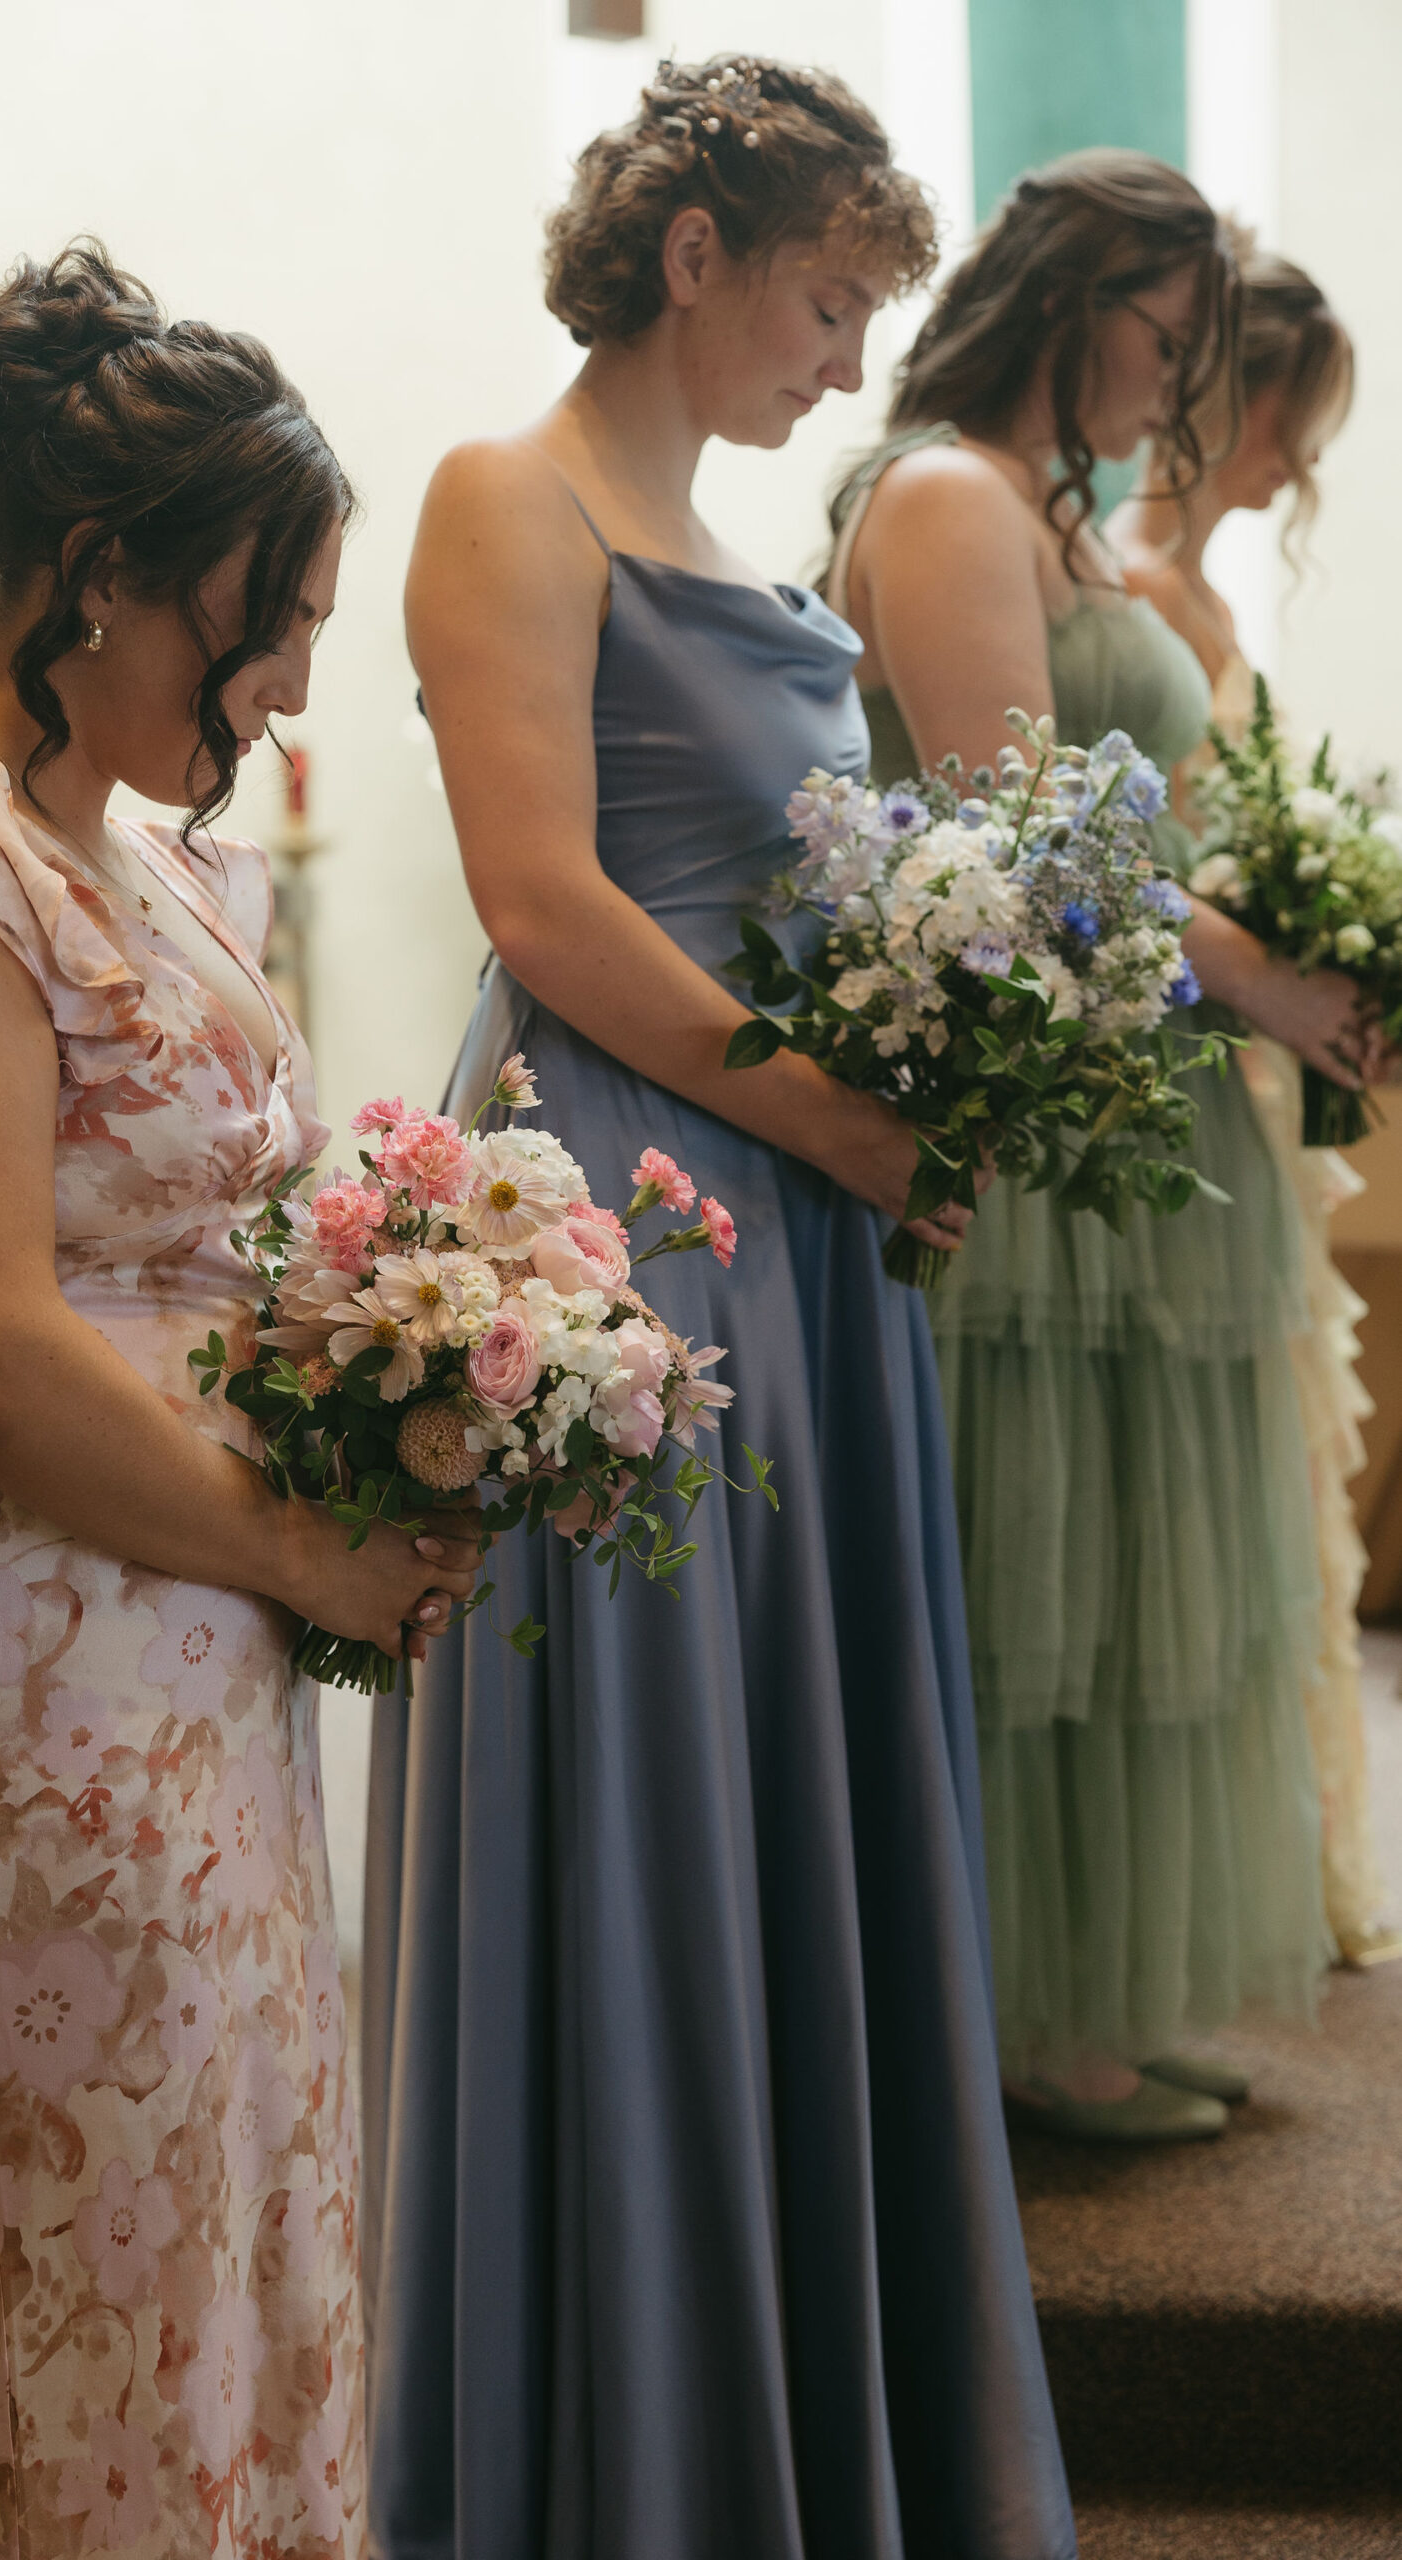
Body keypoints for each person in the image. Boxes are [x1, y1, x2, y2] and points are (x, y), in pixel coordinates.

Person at [0, 242, 479, 2558]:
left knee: (193, 2234)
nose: (290, 675)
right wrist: (305, 1540)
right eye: (270, 612)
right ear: (96, 569)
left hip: (173, 1646)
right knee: (36, 2268)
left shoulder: (132, 862)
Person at [363, 57, 1076, 2559]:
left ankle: (810, 2419)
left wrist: (925, 1078)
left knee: (812, 1796)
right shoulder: (504, 498)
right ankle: (640, 2454)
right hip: (643, 1223)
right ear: (692, 254)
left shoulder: (737, 535)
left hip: (804, 1217)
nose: (842, 352)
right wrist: (851, 1119)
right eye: (822, 294)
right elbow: (546, 908)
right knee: (657, 1801)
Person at [828, 154, 1384, 2144]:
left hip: (1123, 1113)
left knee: (1140, 1572)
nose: (1174, 385)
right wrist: (1276, 986)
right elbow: (1036, 841)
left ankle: (1091, 1982)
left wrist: (1281, 947)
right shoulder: (942, 493)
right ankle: (998, 2012)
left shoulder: (1045, 512)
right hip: (1029, 1129)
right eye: (1163, 342)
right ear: (1066, 306)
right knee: (1029, 1565)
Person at [1109, 244, 1399, 1970]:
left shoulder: (1203, 602)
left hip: (1255, 1065)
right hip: (1187, 1061)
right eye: (1290, 422)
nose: (1295, 465)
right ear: (1221, 396)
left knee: (1273, 1490)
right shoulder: (1128, 588)